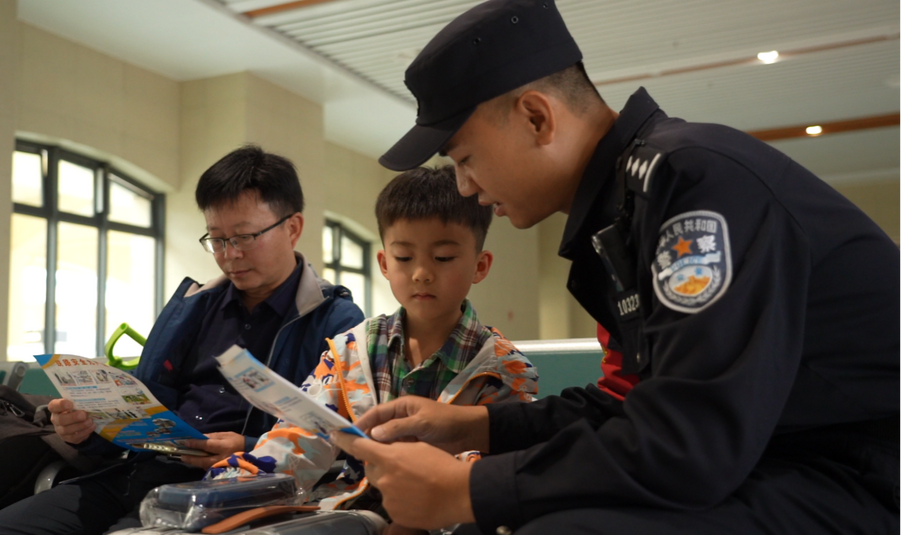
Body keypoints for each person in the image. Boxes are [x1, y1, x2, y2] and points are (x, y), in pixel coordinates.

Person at [331, 1, 901, 534]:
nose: (466, 187)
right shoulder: (630, 207)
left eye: (466, 159)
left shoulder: (692, 186)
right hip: (790, 456)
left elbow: (690, 441)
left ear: (535, 117)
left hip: (864, 471)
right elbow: (634, 406)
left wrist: (469, 488)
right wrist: (476, 427)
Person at [0, 145, 364, 535]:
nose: (230, 255)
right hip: (133, 475)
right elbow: (144, 411)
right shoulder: (192, 306)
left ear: (292, 227)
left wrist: (250, 447)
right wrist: (89, 429)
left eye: (244, 237)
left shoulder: (336, 321)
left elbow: (346, 442)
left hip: (232, 492)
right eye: (217, 239)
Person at [207, 166, 538, 532]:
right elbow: (300, 435)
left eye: (443, 258)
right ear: (383, 263)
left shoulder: (505, 370)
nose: (422, 273)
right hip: (349, 510)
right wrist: (236, 487)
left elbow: (492, 474)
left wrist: (415, 521)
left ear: (480, 265)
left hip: (446, 518)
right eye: (404, 258)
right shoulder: (352, 350)